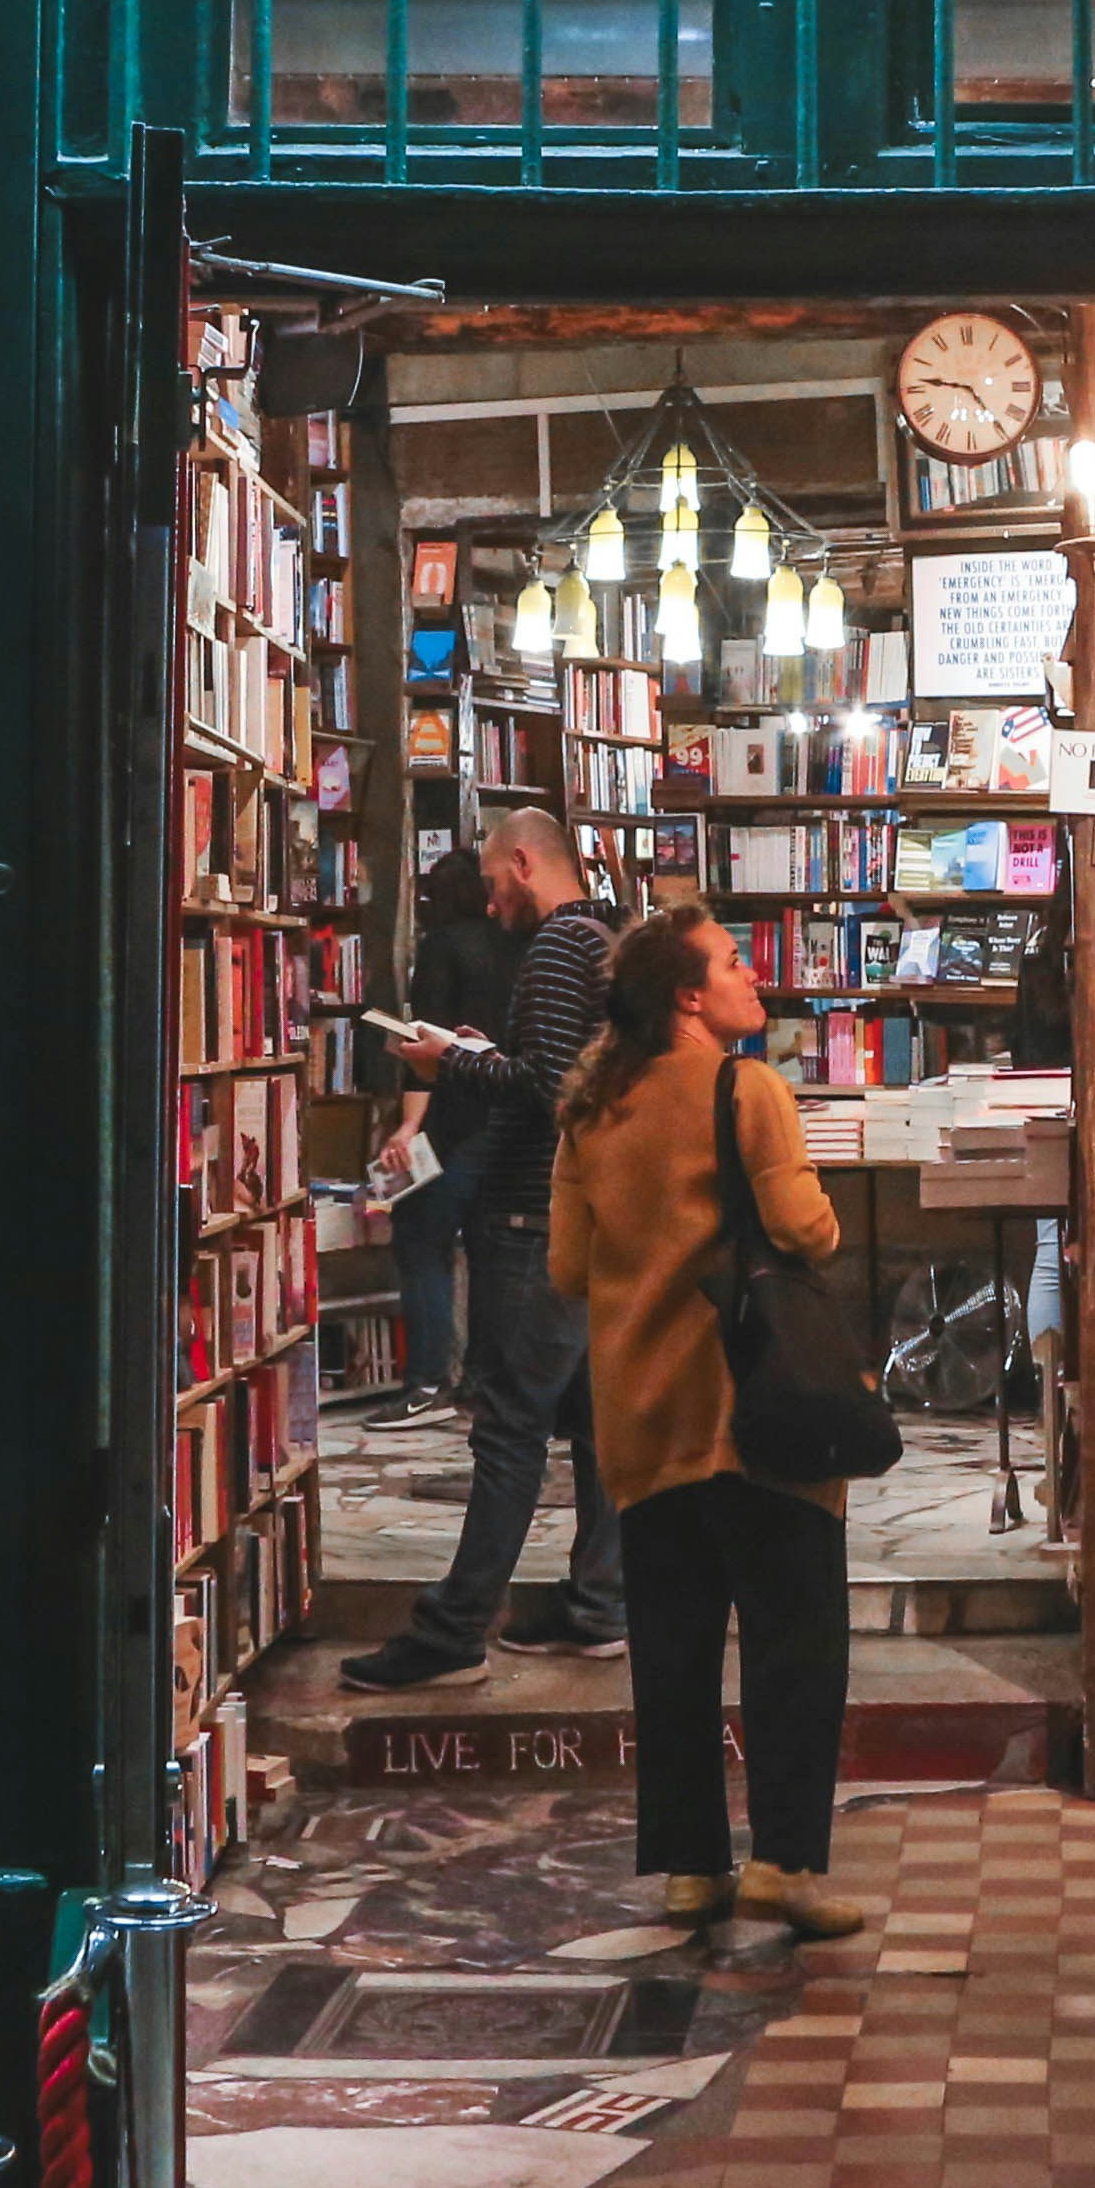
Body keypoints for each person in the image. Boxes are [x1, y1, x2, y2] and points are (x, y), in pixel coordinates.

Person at [547, 902, 864, 1939]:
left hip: (641, 1417)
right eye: (731, 962)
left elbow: (564, 1267)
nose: (750, 974)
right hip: (756, 1414)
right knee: (793, 1641)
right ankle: (784, 1865)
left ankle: (689, 1871)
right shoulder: (748, 1087)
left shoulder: (591, 1109)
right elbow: (802, 1226)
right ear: (688, 995)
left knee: (672, 1655)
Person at [338, 807, 626, 1685]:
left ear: (525, 860)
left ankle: (454, 1630)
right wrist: (487, 1049)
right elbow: (572, 1071)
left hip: (528, 1215)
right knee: (593, 1427)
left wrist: (446, 1060)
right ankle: (597, 1606)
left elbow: (547, 1089)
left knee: (507, 1426)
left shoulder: (553, 949)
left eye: (495, 874)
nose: (489, 894)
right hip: (579, 1211)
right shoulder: (607, 940)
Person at [372, 848, 513, 1414]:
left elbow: (423, 1046)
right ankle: (482, 1378)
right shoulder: (519, 943)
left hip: (450, 1122)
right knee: (489, 1252)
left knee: (422, 1242)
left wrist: (408, 1125)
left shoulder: (442, 948)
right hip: (504, 1118)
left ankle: (426, 1381)